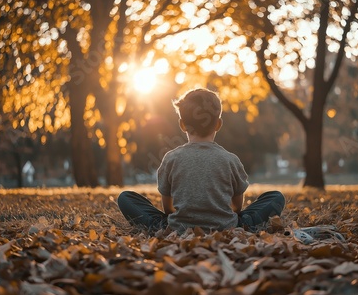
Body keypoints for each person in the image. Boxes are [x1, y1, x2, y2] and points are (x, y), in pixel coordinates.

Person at [117, 88, 285, 234]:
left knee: (126, 198)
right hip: (226, 228)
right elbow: (237, 207)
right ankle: (242, 227)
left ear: (182, 125)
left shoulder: (171, 158)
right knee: (276, 197)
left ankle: (161, 229)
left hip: (179, 229)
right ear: (218, 124)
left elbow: (168, 209)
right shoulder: (230, 159)